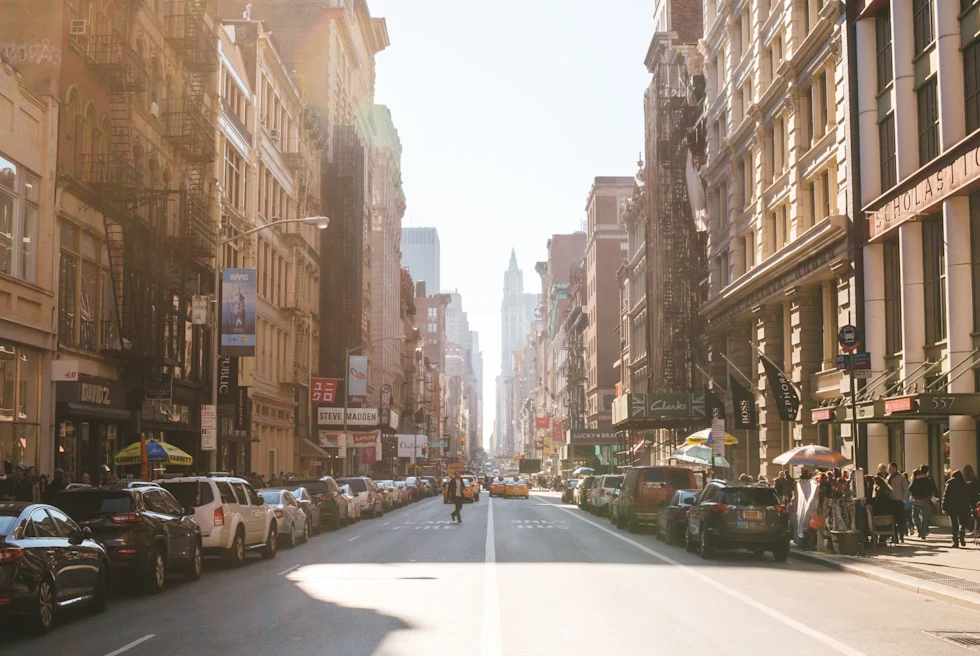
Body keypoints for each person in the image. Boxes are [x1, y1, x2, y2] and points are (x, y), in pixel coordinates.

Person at [943, 470, 972, 548]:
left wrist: (944, 507)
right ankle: (962, 533)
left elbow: (946, 496)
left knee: (954, 524)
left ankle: (955, 542)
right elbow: (968, 496)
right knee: (962, 522)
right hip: (963, 506)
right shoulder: (964, 484)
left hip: (952, 507)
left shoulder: (949, 484)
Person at [909, 465, 939, 539]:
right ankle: (924, 533)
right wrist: (937, 497)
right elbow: (934, 489)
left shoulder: (917, 478)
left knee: (915, 516)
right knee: (925, 517)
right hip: (926, 499)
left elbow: (910, 488)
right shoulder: (929, 479)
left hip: (917, 500)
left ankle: (920, 530)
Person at [887, 462, 910, 543]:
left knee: (900, 520)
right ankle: (894, 537)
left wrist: (903, 499)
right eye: (888, 468)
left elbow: (905, 489)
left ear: (895, 468)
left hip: (898, 501)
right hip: (890, 501)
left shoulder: (901, 477)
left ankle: (901, 535)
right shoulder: (888, 477)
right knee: (892, 520)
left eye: (890, 468)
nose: (889, 470)